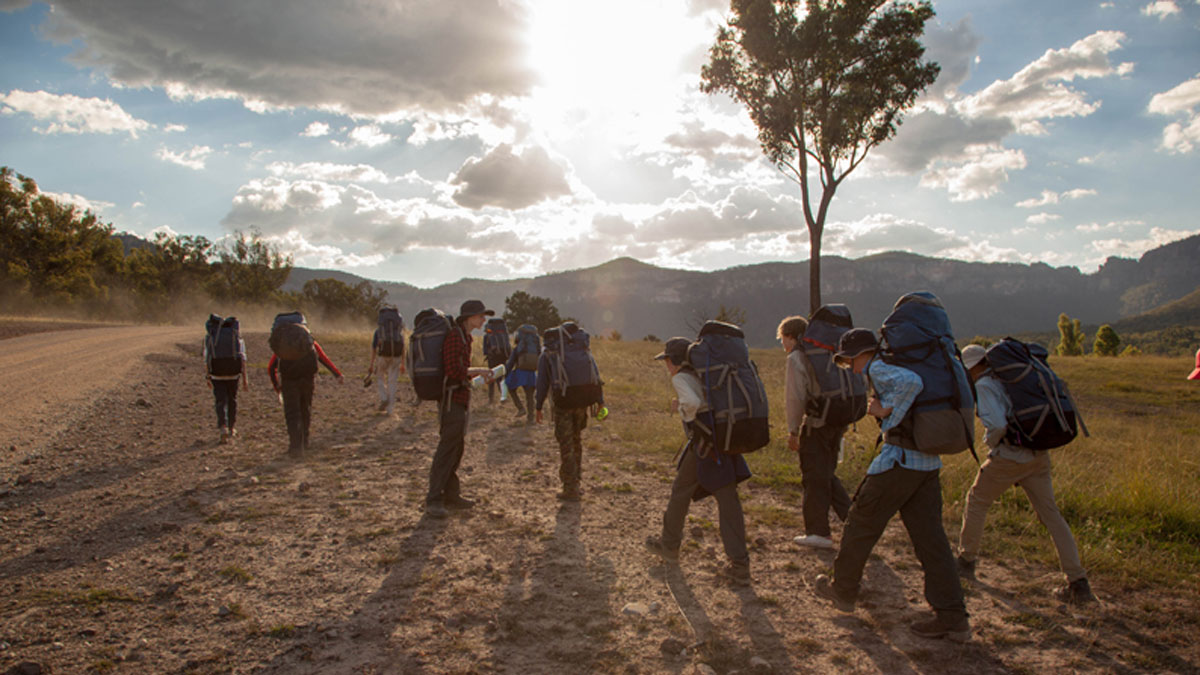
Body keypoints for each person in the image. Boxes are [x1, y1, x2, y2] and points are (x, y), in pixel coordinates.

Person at [812, 328, 970, 641]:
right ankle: (953, 617)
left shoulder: (878, 367)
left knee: (859, 524)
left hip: (898, 463)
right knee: (931, 540)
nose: (850, 368)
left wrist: (887, 414)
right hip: (926, 464)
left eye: (848, 361)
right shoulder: (900, 363)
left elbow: (912, 384)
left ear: (860, 355)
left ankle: (842, 592)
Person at [956, 344, 1097, 604]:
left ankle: (966, 561)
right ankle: (1078, 583)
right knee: (1051, 515)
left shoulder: (985, 385)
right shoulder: (1012, 379)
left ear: (972, 367)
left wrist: (992, 443)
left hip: (1009, 456)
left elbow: (997, 423)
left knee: (977, 501)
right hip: (1038, 454)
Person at [645, 337, 752, 584]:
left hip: (706, 446)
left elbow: (692, 404)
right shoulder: (705, 375)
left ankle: (674, 548)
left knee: (690, 493)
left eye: (667, 360)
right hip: (720, 441)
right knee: (719, 498)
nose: (666, 366)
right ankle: (736, 562)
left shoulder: (681, 377)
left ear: (673, 361)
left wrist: (681, 409)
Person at [779, 315, 852, 550]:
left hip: (816, 424)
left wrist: (793, 430)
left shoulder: (797, 357)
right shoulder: (826, 353)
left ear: (791, 336)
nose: (782, 345)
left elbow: (795, 397)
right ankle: (855, 522)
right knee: (827, 474)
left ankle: (818, 532)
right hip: (837, 420)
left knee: (813, 476)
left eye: (783, 339)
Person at [426, 299, 495, 518]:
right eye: (480, 316)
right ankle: (434, 499)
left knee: (456, 448)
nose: (484, 319)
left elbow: (459, 371)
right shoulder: (455, 336)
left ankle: (451, 494)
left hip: (460, 398)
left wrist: (474, 375)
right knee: (447, 449)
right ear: (469, 318)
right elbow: (454, 370)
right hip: (451, 400)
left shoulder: (465, 337)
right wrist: (479, 371)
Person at [534, 322, 603, 502]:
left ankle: (570, 487)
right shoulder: (583, 349)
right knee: (576, 440)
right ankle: (576, 481)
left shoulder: (549, 352)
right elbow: (596, 374)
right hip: (582, 401)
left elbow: (542, 382)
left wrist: (538, 406)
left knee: (566, 444)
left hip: (563, 403)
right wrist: (600, 401)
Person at [268, 336, 344, 457]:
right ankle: (305, 442)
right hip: (308, 380)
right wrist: (337, 374)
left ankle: (295, 447)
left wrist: (277, 386)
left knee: (292, 413)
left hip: (289, 382)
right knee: (305, 410)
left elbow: (271, 367)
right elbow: (322, 358)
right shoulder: (309, 341)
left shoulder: (283, 344)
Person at [204, 317, 248, 444]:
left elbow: (206, 358)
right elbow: (243, 358)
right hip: (233, 373)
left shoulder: (211, 337)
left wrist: (208, 376)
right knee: (232, 400)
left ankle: (222, 427)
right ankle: (231, 428)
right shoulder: (237, 337)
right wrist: (245, 379)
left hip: (216, 373)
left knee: (220, 400)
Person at [368, 320, 407, 415]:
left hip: (383, 357)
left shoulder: (379, 331)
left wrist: (372, 364)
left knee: (380, 376)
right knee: (392, 381)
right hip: (396, 357)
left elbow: (374, 348)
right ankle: (390, 409)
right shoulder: (399, 333)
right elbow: (403, 348)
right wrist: (403, 363)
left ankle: (384, 398)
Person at [504, 325, 539, 424]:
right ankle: (531, 418)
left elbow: (510, 363)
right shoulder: (535, 347)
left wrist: (506, 373)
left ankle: (520, 408)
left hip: (520, 373)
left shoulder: (518, 348)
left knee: (510, 387)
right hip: (532, 374)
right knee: (530, 396)